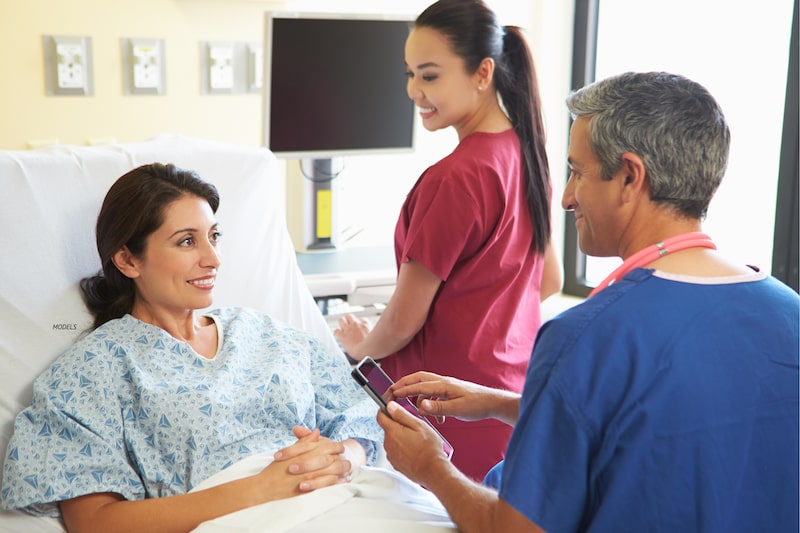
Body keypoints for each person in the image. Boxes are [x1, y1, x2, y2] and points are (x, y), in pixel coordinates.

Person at [375, 71, 800, 532]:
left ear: (629, 178)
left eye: (577, 172)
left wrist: (431, 467)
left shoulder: (589, 335)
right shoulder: (788, 312)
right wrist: (505, 403)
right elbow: (675, 420)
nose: (566, 198)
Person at [1, 163, 384, 533]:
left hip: (348, 499)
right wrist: (261, 488)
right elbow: (95, 522)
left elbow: (362, 419)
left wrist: (340, 460)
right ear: (128, 259)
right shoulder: (92, 371)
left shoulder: (265, 332)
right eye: (187, 241)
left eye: (213, 236)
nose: (213, 259)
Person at [334, 0, 562, 481]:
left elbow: (403, 321)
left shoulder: (456, 178)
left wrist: (361, 348)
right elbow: (548, 281)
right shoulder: (524, 153)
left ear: (483, 73)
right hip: (506, 403)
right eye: (411, 73)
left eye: (430, 76)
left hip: (446, 411)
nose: (414, 90)